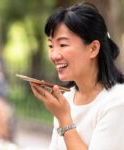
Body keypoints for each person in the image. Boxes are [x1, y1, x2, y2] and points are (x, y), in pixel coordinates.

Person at [30, 2, 124, 150]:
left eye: (63, 45)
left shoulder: (117, 102)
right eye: (50, 46)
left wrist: (64, 119)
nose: (54, 55)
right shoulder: (66, 99)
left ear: (93, 49)